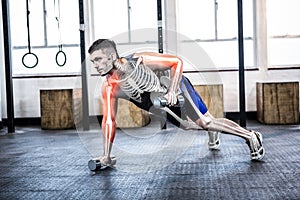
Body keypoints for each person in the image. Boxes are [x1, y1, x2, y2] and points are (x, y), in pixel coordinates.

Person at [88, 39, 265, 167]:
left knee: (205, 122)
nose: (95, 65)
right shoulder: (110, 87)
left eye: (98, 59)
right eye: (92, 61)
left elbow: (176, 62)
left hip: (176, 86)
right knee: (187, 126)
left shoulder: (138, 60)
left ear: (111, 56)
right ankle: (212, 131)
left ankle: (250, 136)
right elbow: (109, 121)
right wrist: (106, 155)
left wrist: (172, 90)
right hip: (159, 102)